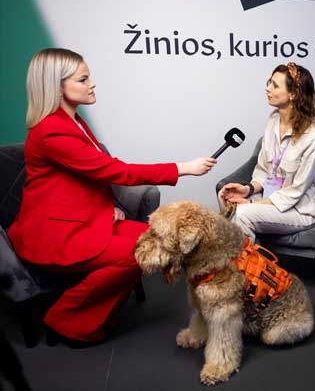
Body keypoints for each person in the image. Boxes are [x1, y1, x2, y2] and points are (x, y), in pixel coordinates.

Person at [8, 48, 217, 345]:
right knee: (141, 253)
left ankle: (87, 314)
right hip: (52, 235)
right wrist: (182, 168)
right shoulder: (52, 130)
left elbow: (80, 179)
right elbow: (113, 171)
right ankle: (65, 319)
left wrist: (106, 208)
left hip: (79, 222)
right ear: (57, 86)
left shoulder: (72, 121)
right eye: (83, 79)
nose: (92, 84)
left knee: (154, 240)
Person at [218, 62, 315, 242]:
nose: (268, 88)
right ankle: (245, 255)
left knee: (241, 213)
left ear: (293, 94)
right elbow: (264, 170)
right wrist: (247, 189)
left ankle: (245, 260)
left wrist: (252, 203)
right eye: (269, 82)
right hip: (270, 199)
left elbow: (295, 192)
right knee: (226, 197)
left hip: (300, 210)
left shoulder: (313, 138)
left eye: (275, 85)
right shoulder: (273, 121)